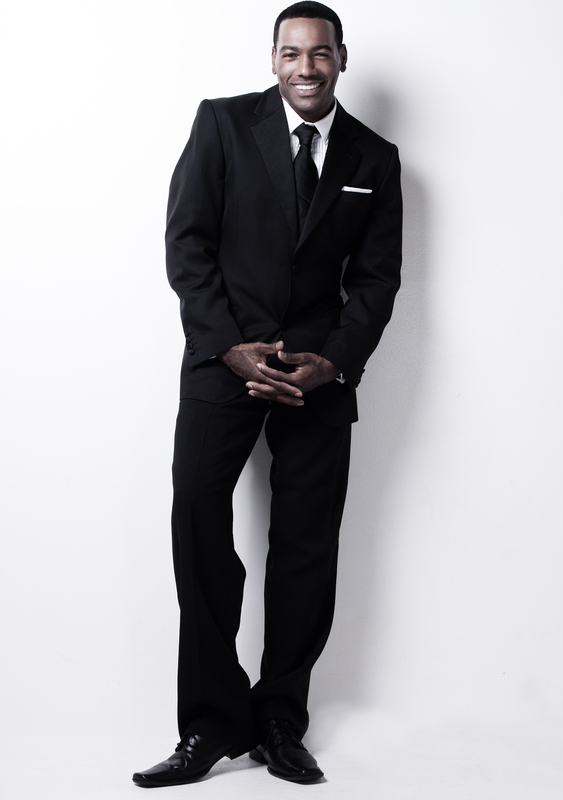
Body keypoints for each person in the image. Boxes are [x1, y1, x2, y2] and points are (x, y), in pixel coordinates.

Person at [133, 1, 402, 787]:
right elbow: (187, 244)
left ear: (342, 58)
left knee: (306, 547)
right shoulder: (221, 124)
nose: (306, 67)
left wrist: (334, 362)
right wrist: (227, 346)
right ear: (273, 59)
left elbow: (377, 280)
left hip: (317, 373)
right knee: (197, 521)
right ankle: (212, 722)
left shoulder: (375, 156)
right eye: (291, 52)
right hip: (223, 362)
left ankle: (281, 718)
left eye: (320, 53)